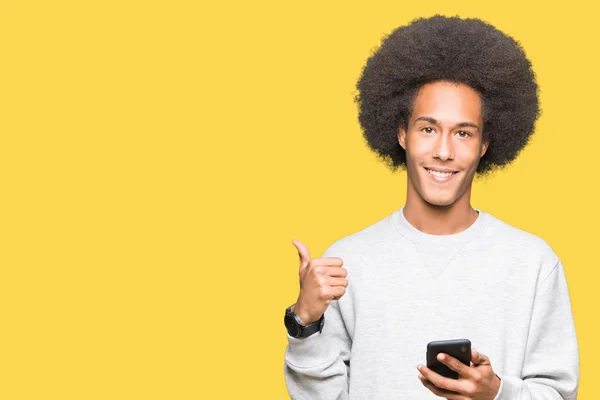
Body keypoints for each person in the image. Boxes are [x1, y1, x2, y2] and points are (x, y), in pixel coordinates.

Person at [282, 15, 580, 400]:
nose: (443, 150)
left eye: (463, 133)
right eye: (427, 128)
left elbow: (559, 394)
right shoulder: (345, 263)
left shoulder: (534, 263)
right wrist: (304, 321)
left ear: (485, 144)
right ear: (401, 133)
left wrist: (497, 394)